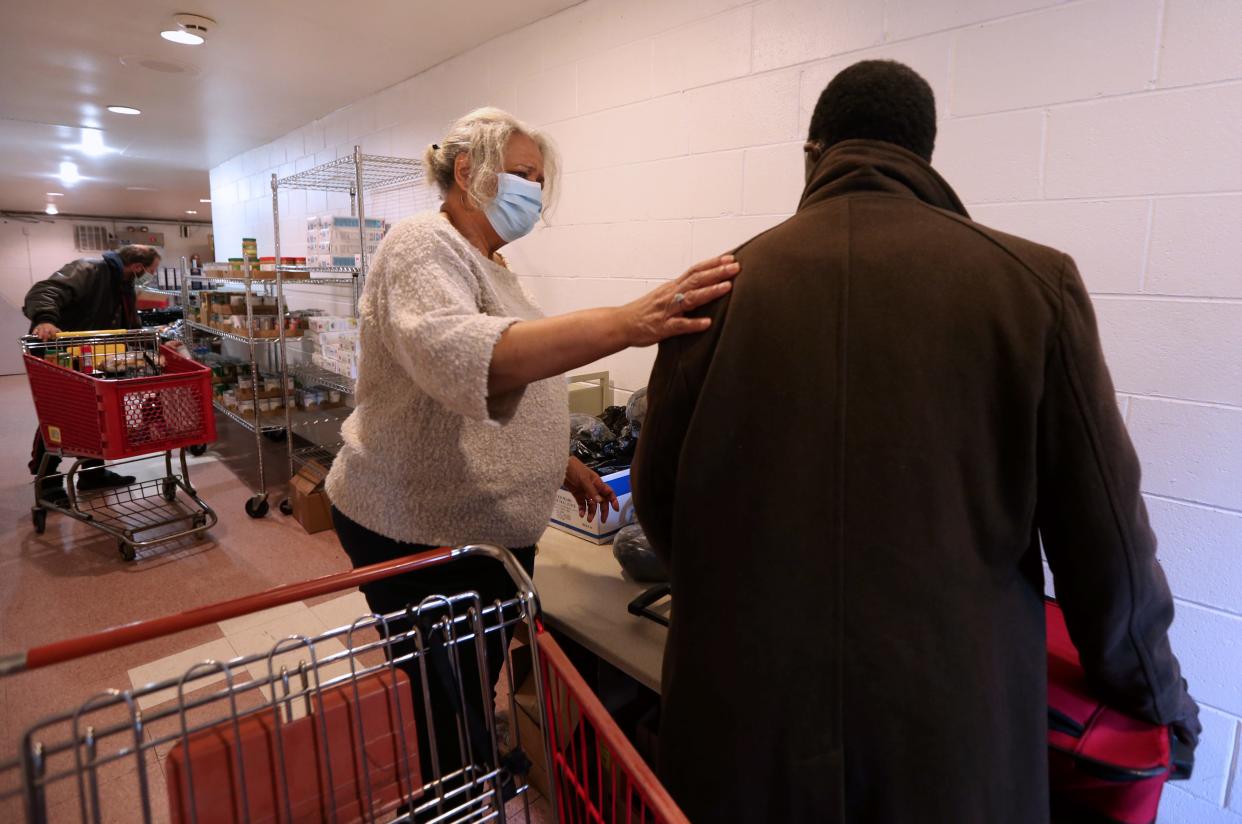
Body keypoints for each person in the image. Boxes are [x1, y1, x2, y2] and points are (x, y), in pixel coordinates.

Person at [632, 60, 1200, 823]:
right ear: (925, 154)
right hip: (950, 743)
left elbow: (666, 516)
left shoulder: (714, 289)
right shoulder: (1035, 284)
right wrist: (1161, 701)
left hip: (743, 733)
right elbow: (1107, 547)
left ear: (812, 151)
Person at [324, 107, 738, 786]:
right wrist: (627, 323)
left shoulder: (493, 264)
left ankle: (473, 765)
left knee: (471, 675)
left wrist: (560, 464)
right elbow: (457, 355)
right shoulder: (420, 244)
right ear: (467, 171)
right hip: (414, 526)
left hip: (478, 527)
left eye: (539, 181)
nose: (533, 194)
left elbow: (504, 386)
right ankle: (455, 788)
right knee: (444, 693)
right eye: (522, 175)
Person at [24, 244, 163, 502]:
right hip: (62, 354)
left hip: (95, 356)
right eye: (151, 271)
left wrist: (155, 346)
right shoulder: (88, 269)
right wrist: (45, 319)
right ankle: (47, 481)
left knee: (96, 414)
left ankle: (93, 474)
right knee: (59, 415)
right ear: (137, 267)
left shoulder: (124, 284)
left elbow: (130, 324)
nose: (150, 276)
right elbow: (45, 290)